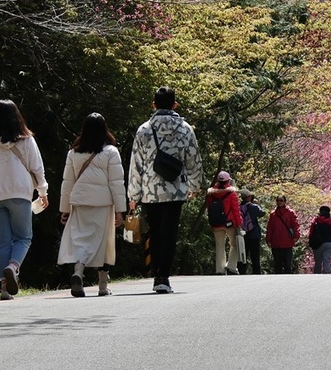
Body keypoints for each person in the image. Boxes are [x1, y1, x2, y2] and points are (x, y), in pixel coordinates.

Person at [127, 86, 203, 294]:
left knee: (155, 232)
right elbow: (193, 159)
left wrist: (133, 194)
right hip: (175, 190)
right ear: (175, 105)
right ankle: (163, 277)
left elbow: (136, 164)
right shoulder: (185, 128)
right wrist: (195, 185)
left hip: (150, 191)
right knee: (169, 233)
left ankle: (156, 275)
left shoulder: (144, 130)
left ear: (153, 105)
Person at [0, 99, 48, 301]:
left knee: (2, 241)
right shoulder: (26, 140)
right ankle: (13, 267)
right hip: (20, 194)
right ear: (17, 117)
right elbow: (37, 167)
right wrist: (43, 191)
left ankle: (4, 288)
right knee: (24, 237)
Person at [57, 113, 125, 297]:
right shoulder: (111, 152)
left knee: (81, 240)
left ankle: (78, 270)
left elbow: (67, 182)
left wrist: (64, 209)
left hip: (80, 202)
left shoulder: (73, 153)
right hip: (103, 203)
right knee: (103, 242)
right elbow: (116, 183)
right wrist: (120, 210)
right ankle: (102, 285)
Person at [205, 170, 244, 275]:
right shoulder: (231, 193)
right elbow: (236, 210)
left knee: (219, 246)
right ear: (228, 181)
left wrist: (211, 222)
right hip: (229, 223)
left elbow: (209, 209)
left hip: (216, 223)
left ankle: (220, 269)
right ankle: (231, 266)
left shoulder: (211, 193)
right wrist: (239, 223)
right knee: (235, 244)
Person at [265, 194, 300, 273]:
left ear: (285, 202)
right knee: (277, 264)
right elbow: (270, 228)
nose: (279, 202)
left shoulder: (290, 213)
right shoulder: (273, 214)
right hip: (276, 242)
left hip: (287, 242)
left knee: (287, 264)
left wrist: (296, 236)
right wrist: (268, 240)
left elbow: (295, 225)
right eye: (278, 200)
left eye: (281, 200)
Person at [238, 188, 265, 274]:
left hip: (242, 234)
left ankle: (242, 272)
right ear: (249, 196)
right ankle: (256, 272)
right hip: (254, 234)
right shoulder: (253, 207)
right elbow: (262, 213)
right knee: (255, 256)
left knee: (243, 254)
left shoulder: (238, 207)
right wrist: (257, 204)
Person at [308, 205, 331, 274]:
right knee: (326, 261)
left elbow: (311, 233)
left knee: (318, 262)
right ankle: (326, 274)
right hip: (328, 243)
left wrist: (311, 241)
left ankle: (317, 275)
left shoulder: (315, 221)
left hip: (317, 243)